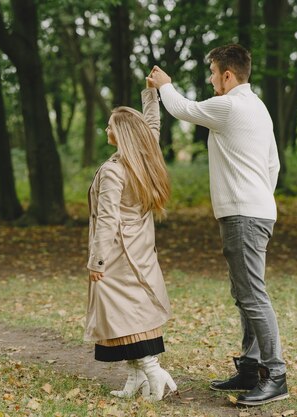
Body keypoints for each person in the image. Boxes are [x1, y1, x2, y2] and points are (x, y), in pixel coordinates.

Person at [146, 44, 288, 406]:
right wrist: (258, 198)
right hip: (255, 210)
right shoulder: (259, 109)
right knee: (245, 295)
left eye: (212, 73)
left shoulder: (230, 105)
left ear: (228, 74)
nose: (210, 80)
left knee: (252, 296)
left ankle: (275, 375)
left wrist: (164, 84)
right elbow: (273, 166)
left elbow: (182, 109)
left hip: (244, 214)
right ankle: (250, 368)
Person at [84, 78, 176, 401]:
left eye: (110, 126)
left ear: (120, 134)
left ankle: (152, 370)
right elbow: (151, 125)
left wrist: (97, 261)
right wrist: (151, 94)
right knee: (133, 314)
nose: (106, 129)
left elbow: (107, 220)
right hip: (140, 250)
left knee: (121, 317)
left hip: (118, 256)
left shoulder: (114, 171)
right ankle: (136, 376)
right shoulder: (143, 157)